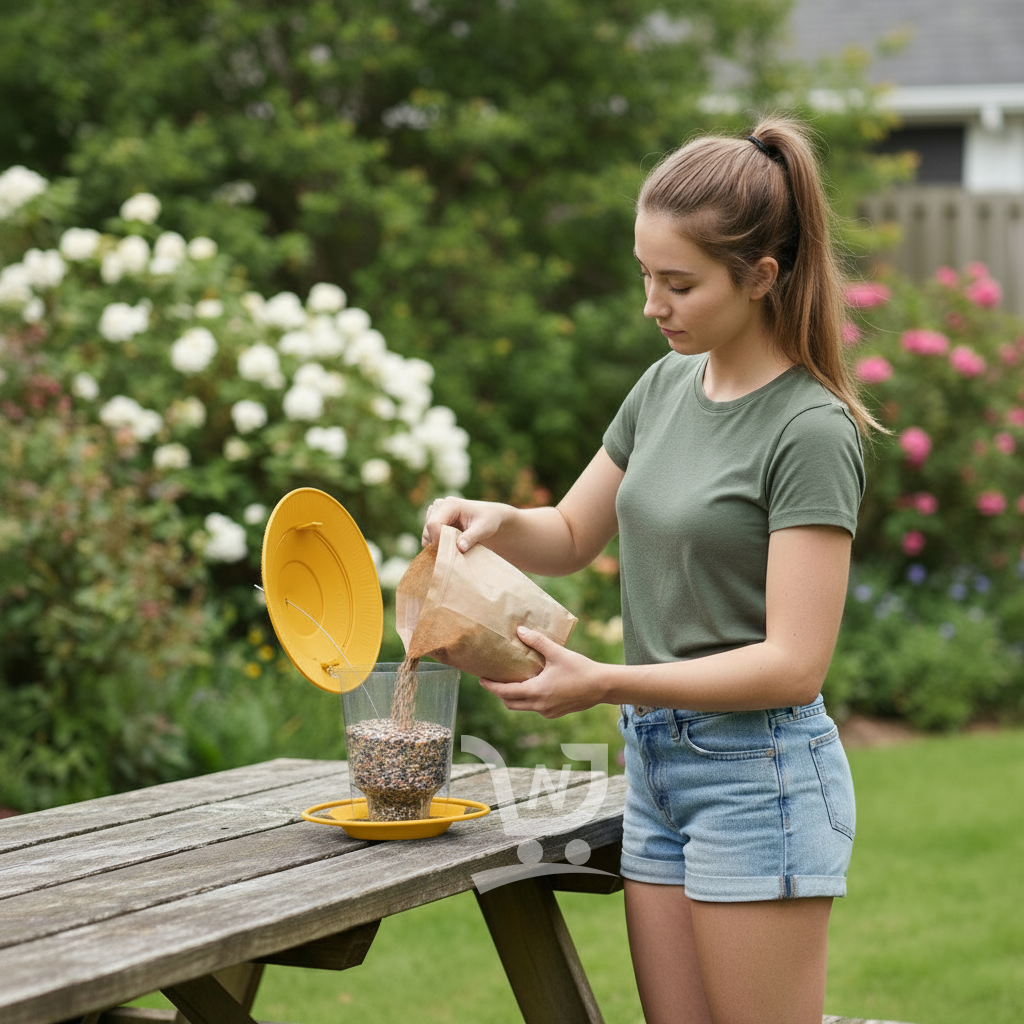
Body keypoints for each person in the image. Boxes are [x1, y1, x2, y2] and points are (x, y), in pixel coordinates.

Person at [422, 114, 879, 1024]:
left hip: (760, 779)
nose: (652, 305)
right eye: (646, 276)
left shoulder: (811, 430)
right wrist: (500, 520)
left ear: (761, 277)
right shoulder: (666, 385)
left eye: (679, 283)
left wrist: (605, 684)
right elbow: (571, 533)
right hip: (659, 765)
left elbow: (795, 664)